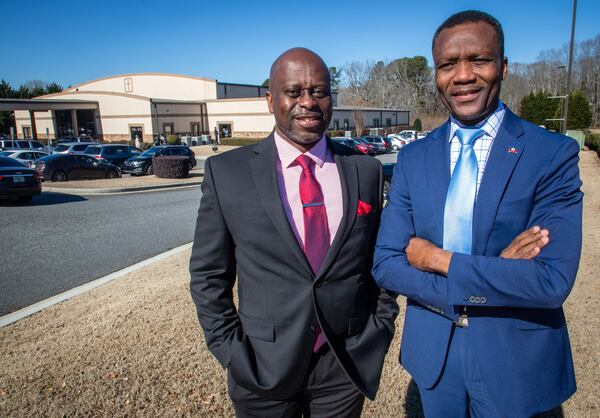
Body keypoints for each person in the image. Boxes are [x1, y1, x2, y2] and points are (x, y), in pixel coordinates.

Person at [373, 10, 582, 418]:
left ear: (503, 67)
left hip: (514, 357)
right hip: (436, 355)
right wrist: (495, 272)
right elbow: (386, 264)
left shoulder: (551, 154)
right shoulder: (413, 158)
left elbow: (550, 280)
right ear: (436, 73)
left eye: (479, 60)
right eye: (448, 64)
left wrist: (438, 260)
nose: (463, 75)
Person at [190, 47, 398, 417]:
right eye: (294, 92)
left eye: (319, 91)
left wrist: (379, 329)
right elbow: (208, 275)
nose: (308, 102)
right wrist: (231, 351)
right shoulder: (227, 174)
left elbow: (378, 260)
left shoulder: (364, 170)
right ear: (271, 100)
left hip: (344, 364)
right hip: (263, 367)